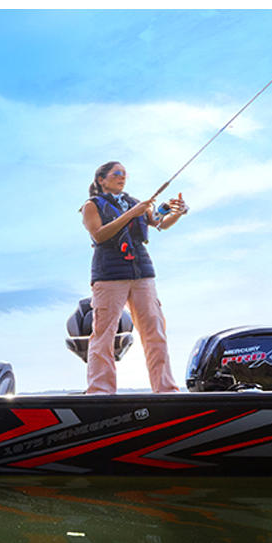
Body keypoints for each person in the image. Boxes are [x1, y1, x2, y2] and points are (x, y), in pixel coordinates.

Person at [80, 161, 188, 394]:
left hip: (142, 274)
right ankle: (100, 391)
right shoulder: (91, 206)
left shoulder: (135, 203)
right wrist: (132, 213)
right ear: (101, 180)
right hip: (109, 275)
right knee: (104, 335)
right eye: (117, 173)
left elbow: (160, 223)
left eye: (125, 174)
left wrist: (177, 212)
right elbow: (99, 235)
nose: (122, 177)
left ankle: (166, 389)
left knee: (155, 332)